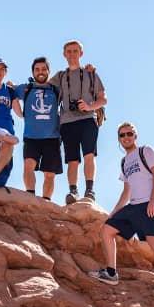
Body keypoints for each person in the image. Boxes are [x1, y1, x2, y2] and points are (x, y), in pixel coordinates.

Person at [88, 122, 154, 294]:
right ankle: (111, 273)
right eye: (122, 135)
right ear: (119, 139)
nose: (126, 137)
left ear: (135, 136)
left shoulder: (146, 151)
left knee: (152, 239)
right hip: (134, 205)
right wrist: (114, 213)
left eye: (129, 134)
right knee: (107, 230)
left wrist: (152, 201)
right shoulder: (124, 162)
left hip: (152, 202)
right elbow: (126, 191)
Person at [49, 40, 107, 204]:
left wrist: (89, 106)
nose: (72, 54)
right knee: (72, 159)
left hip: (88, 119)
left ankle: (89, 190)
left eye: (75, 51)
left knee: (89, 155)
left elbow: (103, 99)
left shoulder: (91, 74)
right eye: (69, 51)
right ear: (64, 54)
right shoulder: (60, 76)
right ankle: (73, 192)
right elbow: (43, 86)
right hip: (67, 121)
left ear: (81, 53)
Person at [12, 57, 62, 200]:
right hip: (31, 136)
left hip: (52, 137)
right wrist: (20, 113)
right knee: (28, 166)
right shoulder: (26, 89)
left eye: (43, 69)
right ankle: (30, 196)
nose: (40, 72)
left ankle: (46, 201)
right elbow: (9, 93)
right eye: (37, 69)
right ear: (33, 72)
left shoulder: (56, 89)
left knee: (50, 173)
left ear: (48, 71)